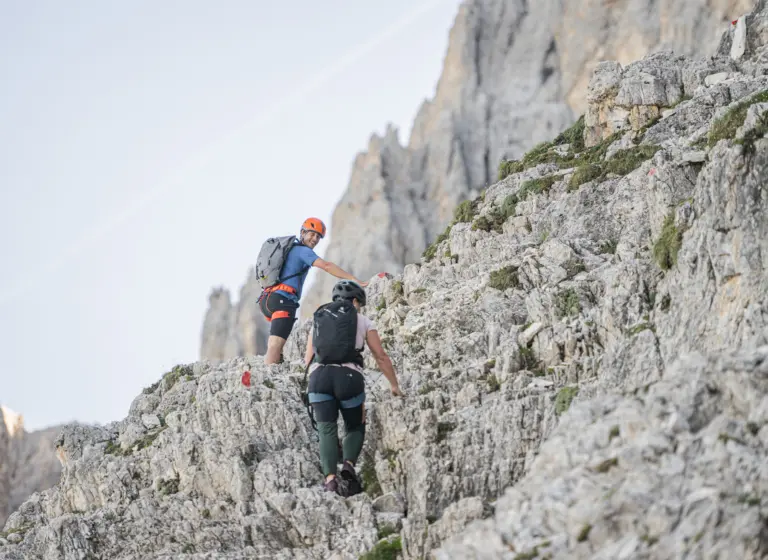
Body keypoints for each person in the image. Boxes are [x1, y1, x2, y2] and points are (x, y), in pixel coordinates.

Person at [303, 280, 404, 497]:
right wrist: (394, 385)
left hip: (319, 378)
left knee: (326, 429)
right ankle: (348, 465)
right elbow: (380, 356)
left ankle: (330, 481)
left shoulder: (320, 319)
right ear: (356, 301)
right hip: (348, 378)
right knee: (355, 424)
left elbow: (307, 359)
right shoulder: (364, 320)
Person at [259, 217, 368, 365]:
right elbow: (327, 265)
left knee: (275, 344)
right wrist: (354, 279)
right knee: (275, 346)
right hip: (283, 300)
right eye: (312, 234)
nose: (315, 239)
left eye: (318, 236)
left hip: (269, 299)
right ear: (302, 232)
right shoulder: (303, 251)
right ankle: (265, 380)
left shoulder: (291, 250)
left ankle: (268, 370)